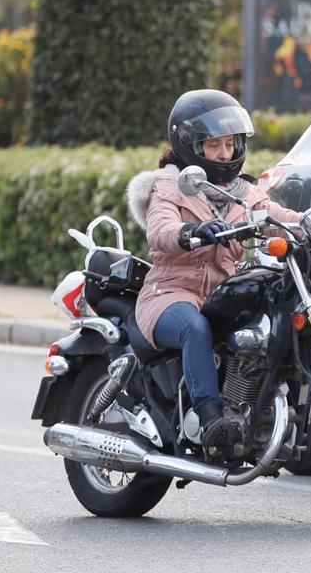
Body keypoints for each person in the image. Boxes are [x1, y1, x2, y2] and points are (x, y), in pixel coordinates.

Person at [126, 89, 299, 457]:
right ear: (191, 146)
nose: (225, 154)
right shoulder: (169, 188)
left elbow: (277, 217)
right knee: (194, 327)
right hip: (170, 295)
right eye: (214, 146)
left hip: (220, 296)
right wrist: (189, 233)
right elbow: (160, 231)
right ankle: (211, 420)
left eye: (230, 144)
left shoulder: (243, 193)